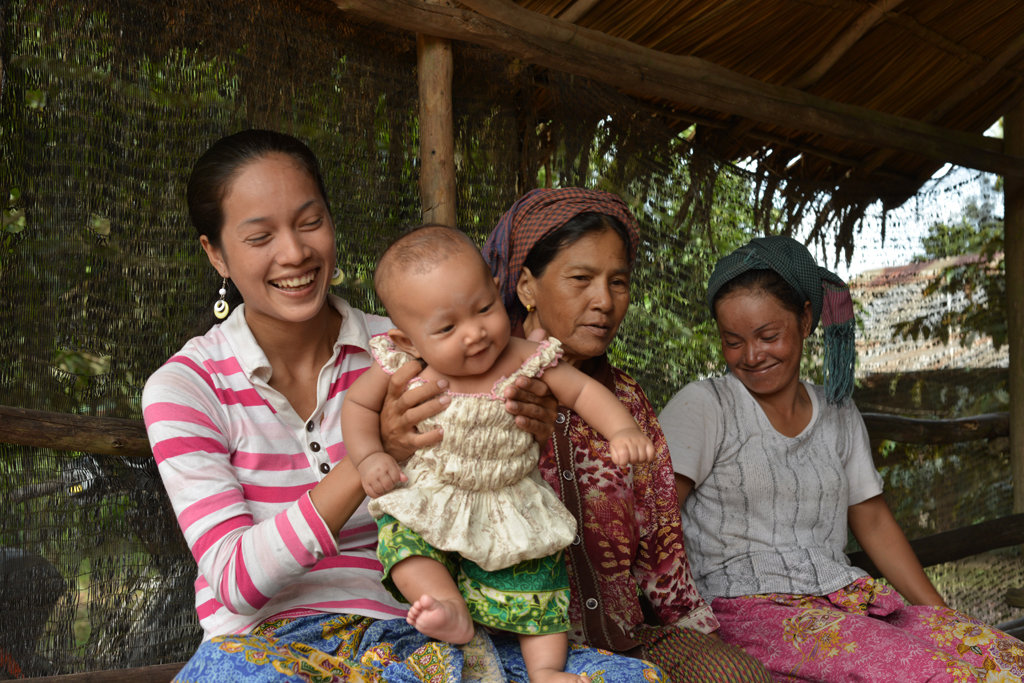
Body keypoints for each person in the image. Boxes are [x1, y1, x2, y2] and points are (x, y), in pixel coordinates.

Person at [141, 129, 664, 681]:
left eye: (309, 222)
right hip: (268, 648)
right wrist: (369, 458)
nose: (293, 252)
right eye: (259, 236)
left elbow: (494, 482)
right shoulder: (186, 387)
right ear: (215, 253)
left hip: (418, 631)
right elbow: (235, 582)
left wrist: (528, 428)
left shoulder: (417, 342)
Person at [659, 234, 1024, 681]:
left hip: (842, 600)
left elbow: (871, 520)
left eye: (768, 335)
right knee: (937, 674)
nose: (751, 356)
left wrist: (944, 618)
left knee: (1004, 658)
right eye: (732, 341)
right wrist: (681, 624)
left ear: (807, 319)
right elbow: (657, 519)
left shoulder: (837, 410)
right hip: (747, 612)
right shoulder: (706, 405)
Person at [480, 187, 772, 682]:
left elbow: (661, 547)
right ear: (527, 286)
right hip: (519, 643)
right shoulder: (484, 393)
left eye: (618, 282)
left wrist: (705, 642)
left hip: (627, 636)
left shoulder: (628, 402)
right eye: (581, 279)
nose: (604, 301)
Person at [341, 225, 655, 683]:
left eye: (484, 309)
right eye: (448, 327)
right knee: (403, 543)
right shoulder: (407, 368)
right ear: (408, 341)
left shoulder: (528, 357)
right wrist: (369, 456)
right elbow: (358, 404)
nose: (475, 334)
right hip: (436, 494)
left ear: (495, 289)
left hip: (511, 499)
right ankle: (448, 607)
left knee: (538, 580)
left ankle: (546, 669)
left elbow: (584, 392)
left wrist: (622, 428)